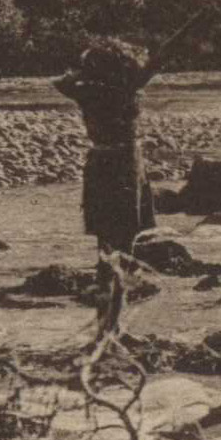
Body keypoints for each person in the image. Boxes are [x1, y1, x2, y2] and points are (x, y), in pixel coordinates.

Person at [54, 36, 162, 283]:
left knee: (105, 229)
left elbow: (61, 82)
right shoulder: (127, 88)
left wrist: (84, 73)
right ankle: (123, 285)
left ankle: (108, 281)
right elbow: (155, 65)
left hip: (100, 158)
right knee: (129, 229)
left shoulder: (86, 91)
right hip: (126, 159)